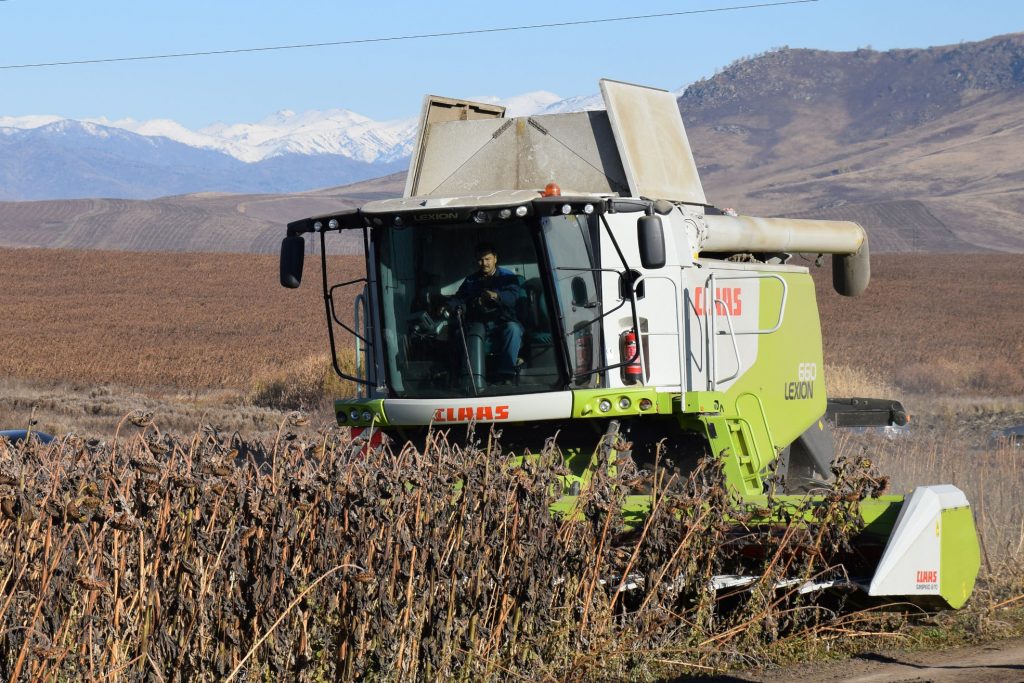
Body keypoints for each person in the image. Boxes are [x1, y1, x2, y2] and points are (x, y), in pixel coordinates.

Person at [448, 243, 524, 385]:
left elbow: (513, 297)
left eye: (487, 259)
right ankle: (465, 376)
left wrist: (496, 296)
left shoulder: (508, 277)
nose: (484, 263)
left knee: (513, 329)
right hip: (479, 323)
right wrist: (447, 306)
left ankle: (506, 375)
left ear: (495, 258)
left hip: (502, 321)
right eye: (480, 260)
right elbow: (459, 297)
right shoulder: (471, 280)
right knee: (459, 333)